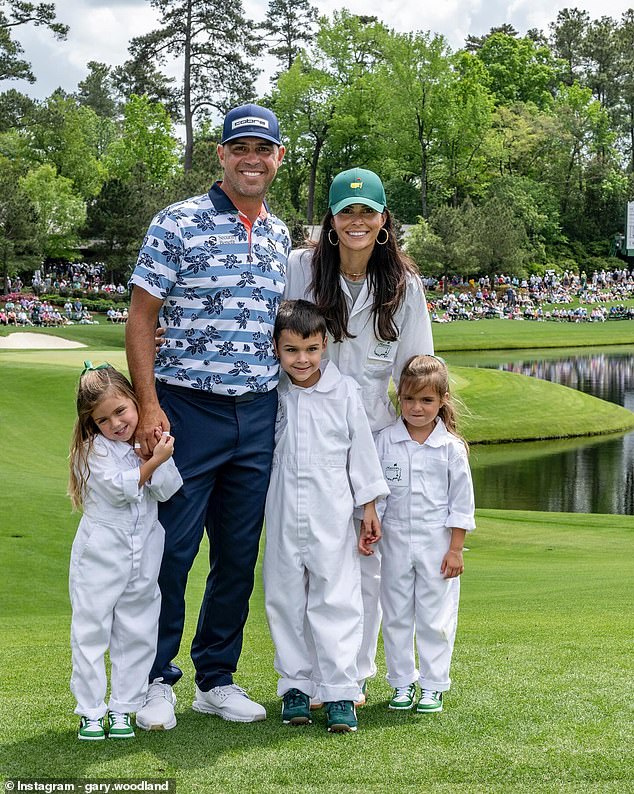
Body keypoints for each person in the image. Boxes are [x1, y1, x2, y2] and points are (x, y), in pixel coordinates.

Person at [127, 104, 290, 729]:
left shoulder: (278, 236)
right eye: (240, 147)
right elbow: (142, 317)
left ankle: (215, 678)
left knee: (237, 555)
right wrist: (148, 404)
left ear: (278, 158)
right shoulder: (179, 221)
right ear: (221, 154)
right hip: (188, 409)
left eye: (263, 148)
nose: (252, 158)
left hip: (257, 409)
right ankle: (154, 678)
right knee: (172, 550)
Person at [284, 167, 434, 702]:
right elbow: (267, 336)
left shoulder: (403, 285)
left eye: (367, 212)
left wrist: (435, 435)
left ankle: (351, 676)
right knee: (308, 564)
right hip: (305, 438)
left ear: (384, 220)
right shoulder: (299, 268)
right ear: (331, 220)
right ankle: (308, 680)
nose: (357, 222)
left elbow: (417, 370)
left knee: (366, 564)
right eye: (346, 213)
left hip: (371, 440)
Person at [263, 300, 388, 733]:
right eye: (292, 350)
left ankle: (339, 690)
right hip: (281, 505)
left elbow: (361, 453)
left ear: (325, 345)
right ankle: (296, 686)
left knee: (336, 597)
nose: (303, 360)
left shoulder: (344, 391)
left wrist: (368, 506)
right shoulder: (273, 391)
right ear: (276, 349)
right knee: (285, 596)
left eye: (311, 349)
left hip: (331, 506)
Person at [68, 362, 182, 741]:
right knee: (92, 627)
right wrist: (152, 462)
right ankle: (90, 709)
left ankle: (124, 706)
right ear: (92, 426)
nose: (116, 423)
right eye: (103, 419)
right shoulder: (94, 451)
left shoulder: (148, 444)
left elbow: (166, 489)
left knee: (138, 627)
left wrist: (154, 455)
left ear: (136, 402)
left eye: (121, 410)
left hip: (144, 546)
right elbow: (120, 488)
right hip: (103, 550)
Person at [375, 355, 475, 714]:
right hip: (394, 542)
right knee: (397, 614)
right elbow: (376, 494)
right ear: (399, 397)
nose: (417, 408)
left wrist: (456, 549)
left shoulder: (450, 448)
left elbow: (461, 503)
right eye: (409, 399)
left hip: (437, 543)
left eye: (426, 400)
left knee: (435, 617)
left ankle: (433, 685)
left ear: (442, 400)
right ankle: (402, 683)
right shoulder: (385, 441)